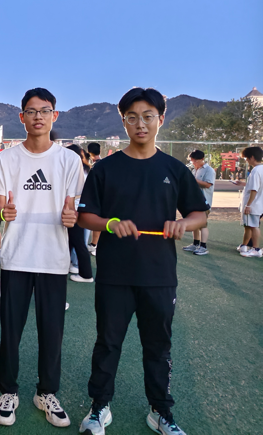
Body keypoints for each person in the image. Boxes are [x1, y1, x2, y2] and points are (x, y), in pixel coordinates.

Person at [77, 87, 208, 435]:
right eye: (132, 117)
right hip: (114, 275)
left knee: (158, 347)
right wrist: (110, 224)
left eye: (148, 116)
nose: (140, 124)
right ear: (123, 121)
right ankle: (99, 407)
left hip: (159, 275)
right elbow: (86, 216)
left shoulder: (174, 169)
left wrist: (184, 223)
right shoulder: (105, 168)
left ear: (160, 119)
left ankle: (160, 411)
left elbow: (199, 214)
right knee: (108, 343)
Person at [0, 88, 84, 427]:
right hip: (16, 258)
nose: (38, 117)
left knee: (52, 332)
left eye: (45, 111)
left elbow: (75, 208)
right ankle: (8, 392)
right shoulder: (6, 159)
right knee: (10, 331)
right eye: (31, 111)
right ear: (22, 117)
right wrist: (3, 212)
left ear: (54, 116)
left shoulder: (69, 161)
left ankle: (46, 392)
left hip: (54, 260)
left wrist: (73, 217)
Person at [66, 145, 93, 283]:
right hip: (79, 211)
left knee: (78, 243)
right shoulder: (85, 170)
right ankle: (69, 266)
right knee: (71, 241)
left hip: (74, 212)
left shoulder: (76, 172)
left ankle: (86, 274)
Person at [182, 150, 215, 255]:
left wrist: (192, 180)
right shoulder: (194, 170)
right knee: (194, 223)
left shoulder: (209, 170)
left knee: (203, 225)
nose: (193, 163)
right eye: (192, 161)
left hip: (204, 202)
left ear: (202, 159)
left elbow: (208, 184)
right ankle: (195, 244)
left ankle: (203, 247)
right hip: (193, 200)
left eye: (195, 161)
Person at [238, 146, 263, 258]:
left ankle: (256, 249)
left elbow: (254, 189)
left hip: (253, 204)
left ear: (252, 157)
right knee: (248, 225)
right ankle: (244, 246)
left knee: (253, 226)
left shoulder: (256, 170)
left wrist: (248, 205)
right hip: (258, 203)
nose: (246, 161)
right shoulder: (261, 169)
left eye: (246, 158)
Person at [87, 143, 102, 256]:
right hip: (101, 198)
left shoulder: (94, 167)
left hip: (97, 198)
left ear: (89, 152)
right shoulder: (103, 163)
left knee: (96, 223)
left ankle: (94, 245)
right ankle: (94, 245)